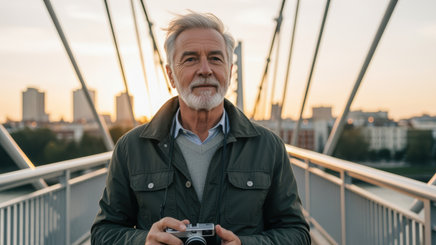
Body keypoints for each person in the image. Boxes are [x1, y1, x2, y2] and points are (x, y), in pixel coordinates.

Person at [91, 11, 310, 245]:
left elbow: (297, 234)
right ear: (171, 76)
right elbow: (104, 232)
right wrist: (144, 241)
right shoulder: (131, 148)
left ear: (230, 71)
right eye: (190, 59)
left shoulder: (268, 147)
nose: (205, 69)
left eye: (216, 59)